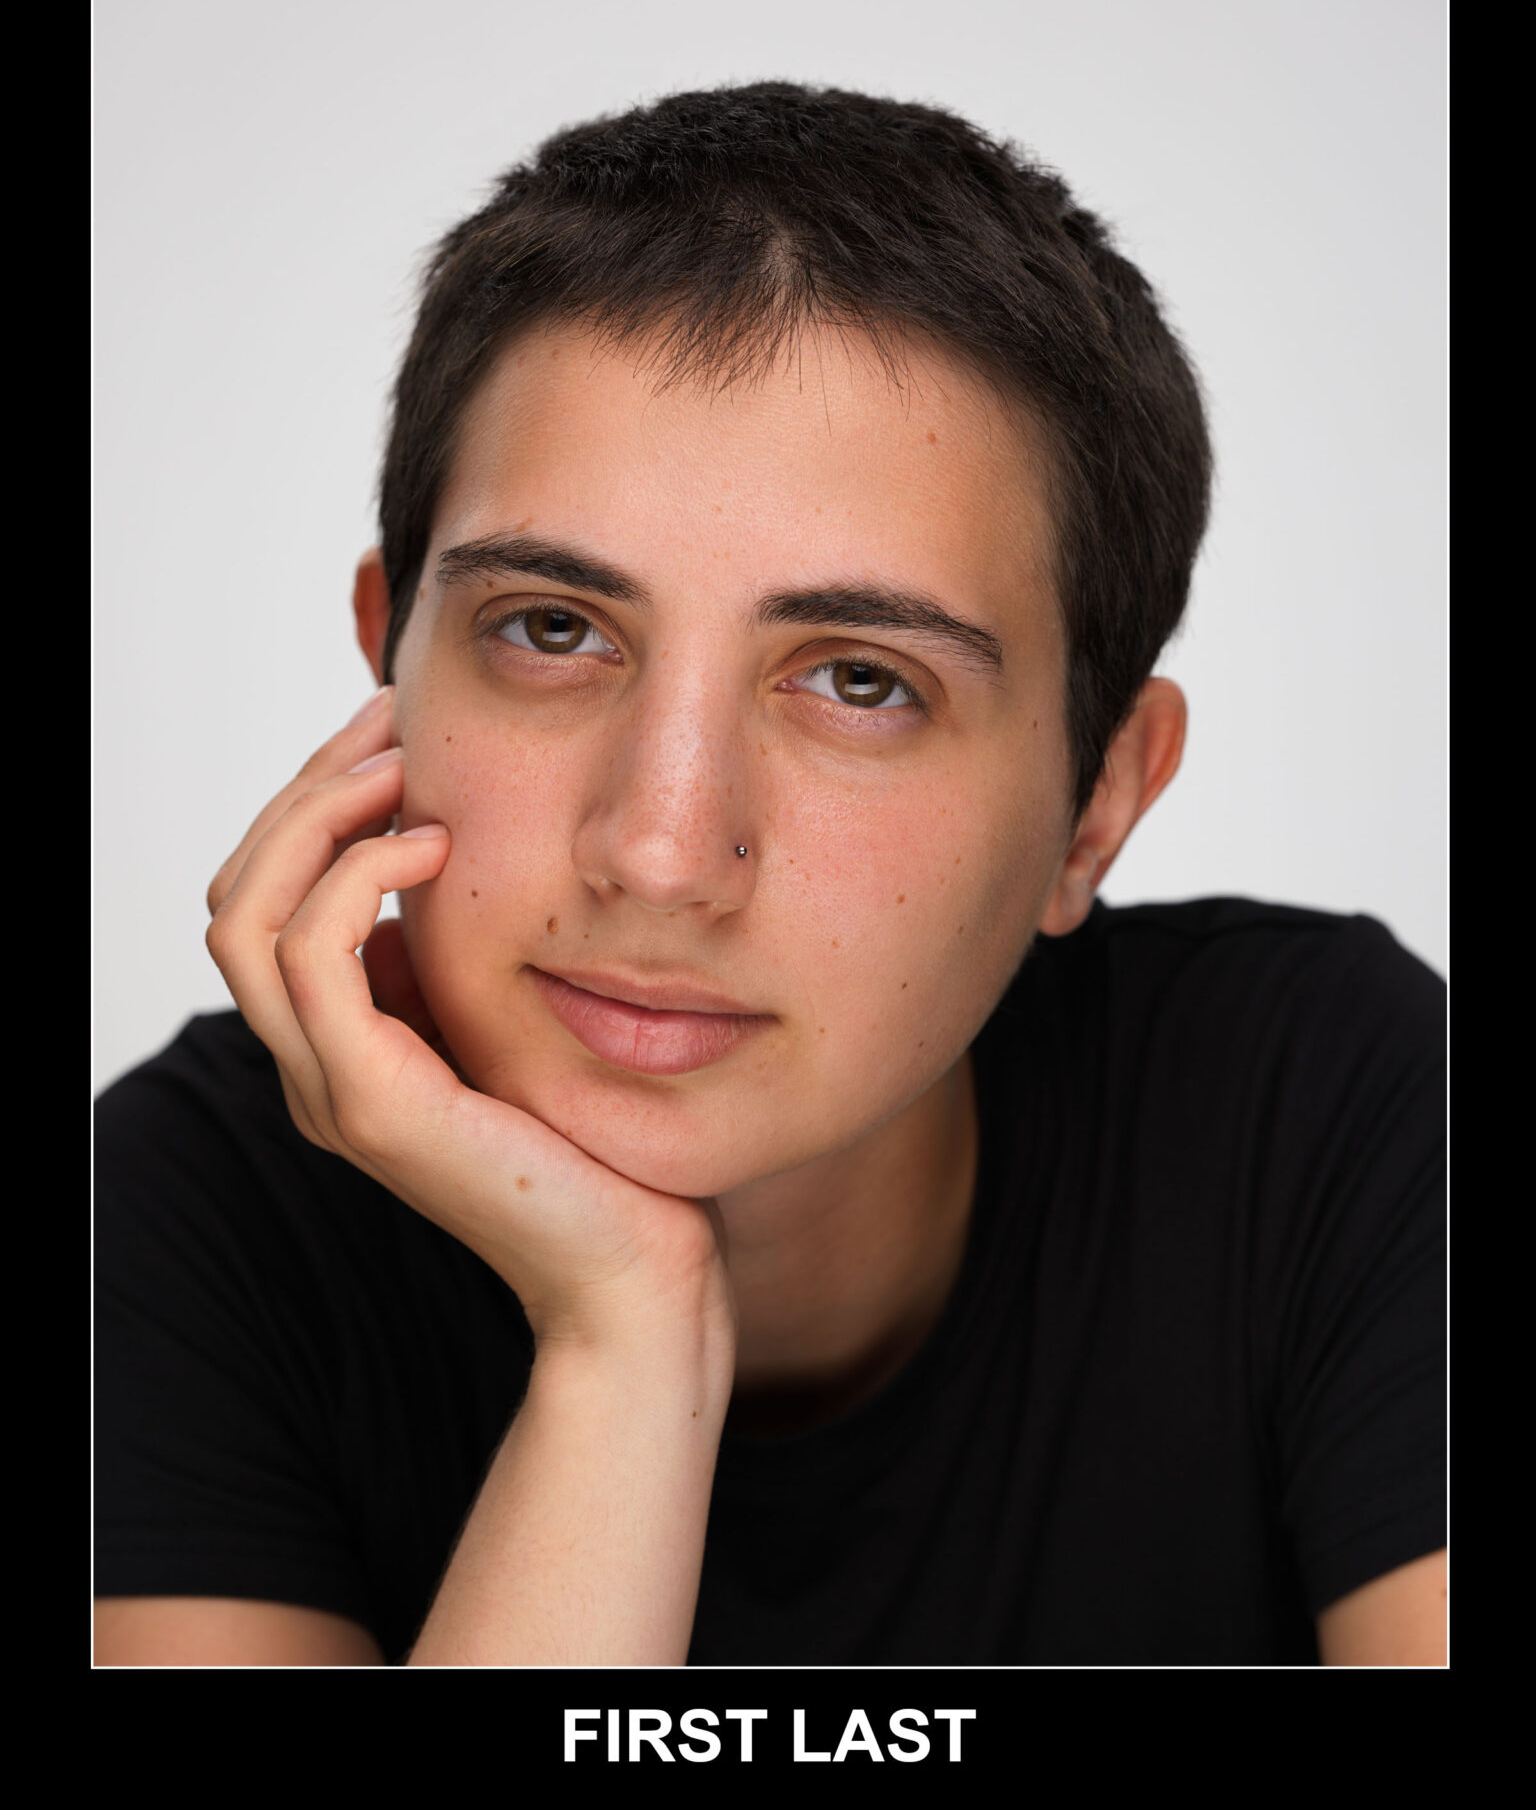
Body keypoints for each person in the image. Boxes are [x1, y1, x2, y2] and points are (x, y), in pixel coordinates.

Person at [93, 81, 1446, 1667]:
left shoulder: (1331, 1113)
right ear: (391, 662)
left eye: (861, 681)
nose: (661, 853)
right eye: (551, 629)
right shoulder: (194, 1216)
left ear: (1096, 805)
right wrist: (622, 1340)